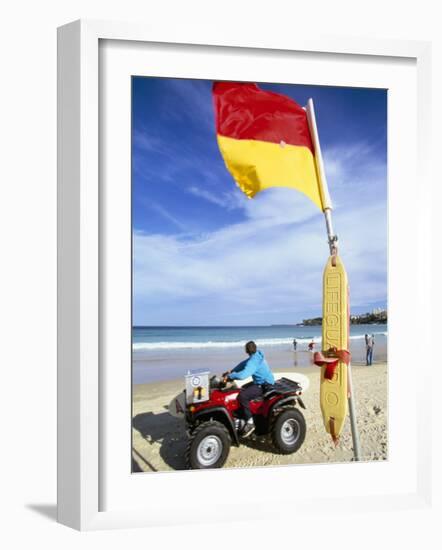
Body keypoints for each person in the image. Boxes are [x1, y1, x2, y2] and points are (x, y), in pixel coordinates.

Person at [223, 341, 275, 437]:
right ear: (255, 348)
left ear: (246, 350)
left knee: (242, 396)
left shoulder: (253, 361)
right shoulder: (256, 356)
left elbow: (243, 375)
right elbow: (243, 364)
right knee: (242, 389)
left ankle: (250, 422)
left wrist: (231, 376)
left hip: (265, 385)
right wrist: (232, 371)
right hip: (263, 381)